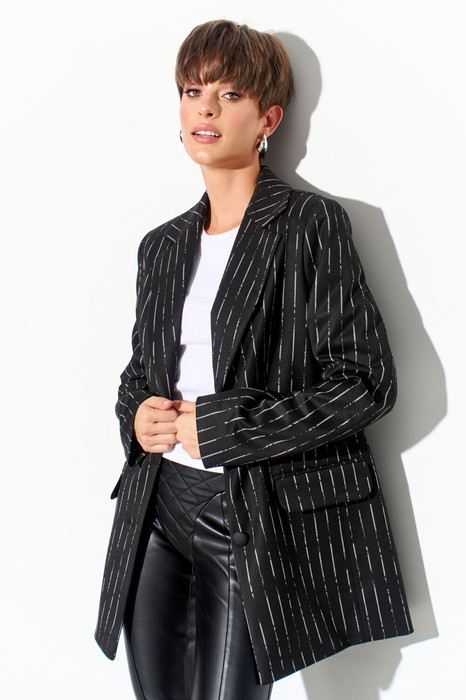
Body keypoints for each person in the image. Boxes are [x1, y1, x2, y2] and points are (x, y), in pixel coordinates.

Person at [95, 19, 413, 700]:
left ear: (269, 120)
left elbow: (365, 382)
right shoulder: (161, 246)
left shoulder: (310, 225)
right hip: (156, 508)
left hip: (250, 513)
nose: (205, 108)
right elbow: (140, 372)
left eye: (229, 94)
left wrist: (224, 429)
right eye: (192, 91)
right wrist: (137, 415)